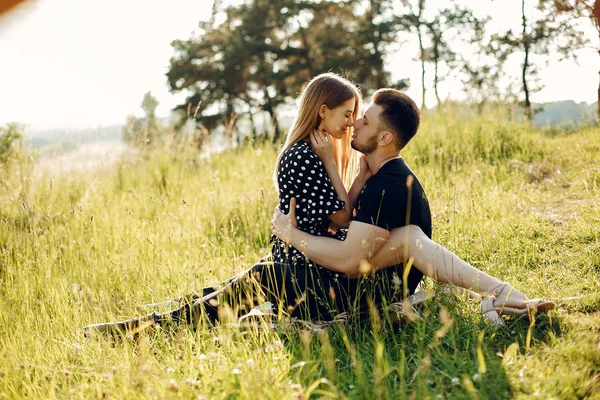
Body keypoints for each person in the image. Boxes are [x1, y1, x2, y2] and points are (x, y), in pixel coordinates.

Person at [84, 73, 550, 337]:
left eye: (362, 120)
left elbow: (349, 259)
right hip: (378, 290)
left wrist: (291, 236)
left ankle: (138, 328)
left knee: (253, 280)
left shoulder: (386, 183)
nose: (354, 125)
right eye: (351, 116)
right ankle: (147, 320)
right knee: (236, 285)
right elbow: (367, 238)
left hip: (348, 291)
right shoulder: (382, 174)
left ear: (384, 137)